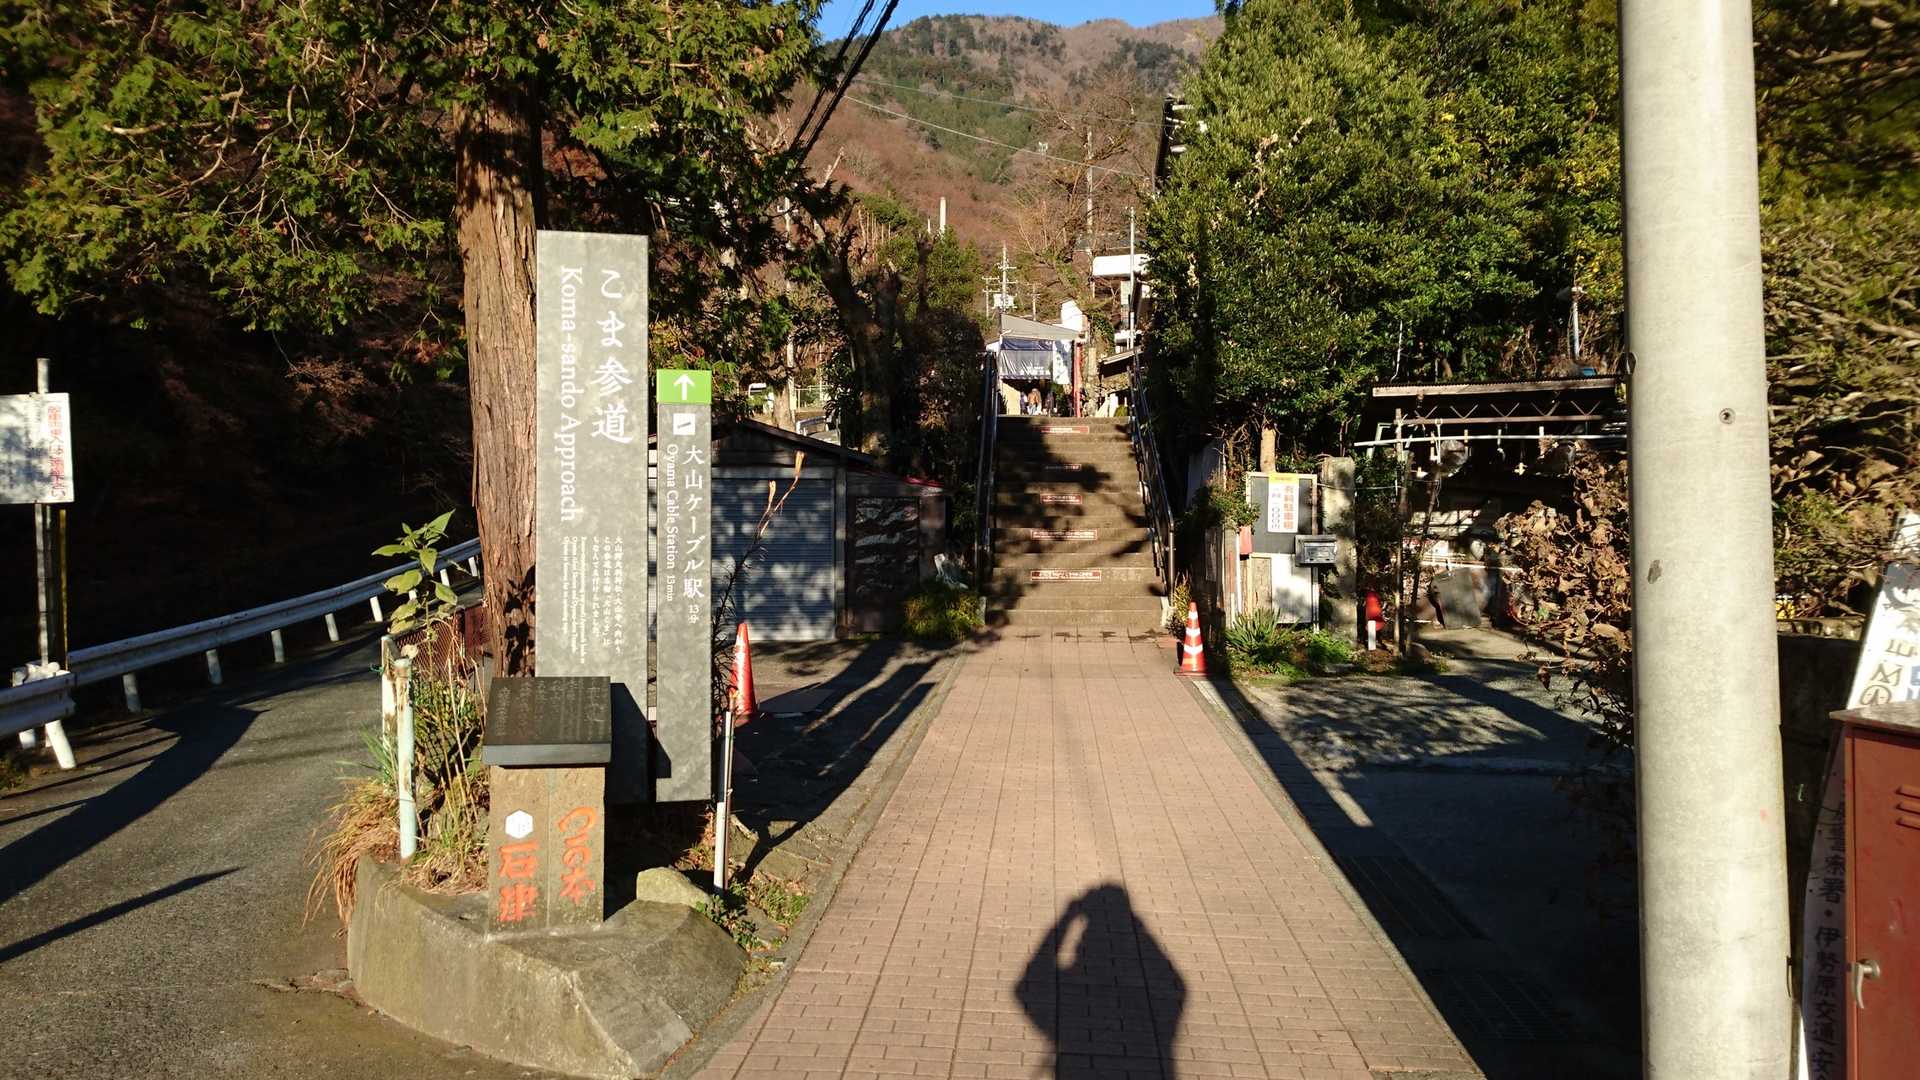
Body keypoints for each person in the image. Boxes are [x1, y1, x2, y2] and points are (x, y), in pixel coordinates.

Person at [1363, 586, 1384, 651]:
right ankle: (1372, 646)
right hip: (1375, 613)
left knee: (1372, 628)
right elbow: (1379, 603)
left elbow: (1366, 604)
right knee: (1372, 628)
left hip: (1371, 613)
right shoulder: (1375, 595)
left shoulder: (1369, 595)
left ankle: (1371, 646)